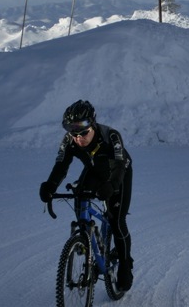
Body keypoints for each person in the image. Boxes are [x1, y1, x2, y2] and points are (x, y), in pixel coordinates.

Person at [39, 100, 134, 291]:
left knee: (117, 221)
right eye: (72, 132)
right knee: (79, 199)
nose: (78, 138)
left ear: (93, 124)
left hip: (119, 173)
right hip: (94, 171)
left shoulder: (111, 136)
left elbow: (118, 167)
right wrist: (50, 185)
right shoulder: (70, 140)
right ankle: (86, 240)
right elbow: (61, 166)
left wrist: (112, 185)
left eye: (83, 132)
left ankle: (124, 264)